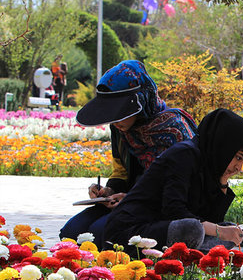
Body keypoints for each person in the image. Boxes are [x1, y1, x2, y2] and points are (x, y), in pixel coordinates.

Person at [59, 60, 198, 249]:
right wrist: (108, 192)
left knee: (101, 235)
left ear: (141, 102)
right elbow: (121, 172)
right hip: (127, 203)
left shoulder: (175, 128)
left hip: (161, 206)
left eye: (121, 113)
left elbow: (181, 188)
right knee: (72, 232)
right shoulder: (121, 128)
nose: (115, 122)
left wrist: (132, 198)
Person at [104, 108, 243, 252]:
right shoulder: (184, 154)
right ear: (223, 146)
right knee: (195, 229)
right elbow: (174, 210)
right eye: (238, 158)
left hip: (166, 228)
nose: (238, 167)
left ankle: (198, 251)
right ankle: (197, 252)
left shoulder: (210, 164)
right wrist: (218, 231)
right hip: (132, 232)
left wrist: (222, 180)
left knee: (230, 230)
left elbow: (212, 219)